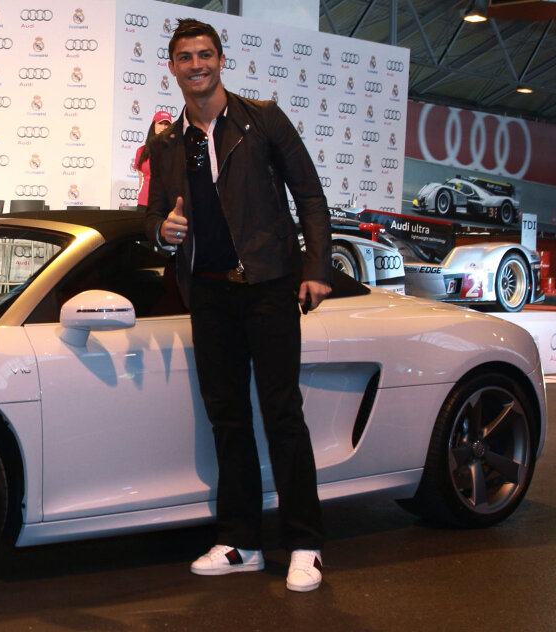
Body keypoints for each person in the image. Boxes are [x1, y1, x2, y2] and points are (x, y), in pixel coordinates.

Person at [144, 18, 333, 592]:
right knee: (226, 418)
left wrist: (317, 268)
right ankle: (241, 542)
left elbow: (310, 194)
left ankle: (304, 543)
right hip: (208, 290)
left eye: (205, 55)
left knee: (282, 414)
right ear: (172, 67)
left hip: (270, 285)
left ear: (221, 60)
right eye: (185, 57)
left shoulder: (263, 119)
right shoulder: (166, 140)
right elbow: (153, 216)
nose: (196, 65)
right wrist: (163, 232)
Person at [133, 111, 173, 210]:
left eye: (167, 124)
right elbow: (141, 179)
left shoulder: (174, 151)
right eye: (160, 123)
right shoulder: (142, 151)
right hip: (144, 203)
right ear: (153, 125)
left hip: (165, 203)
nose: (163, 127)